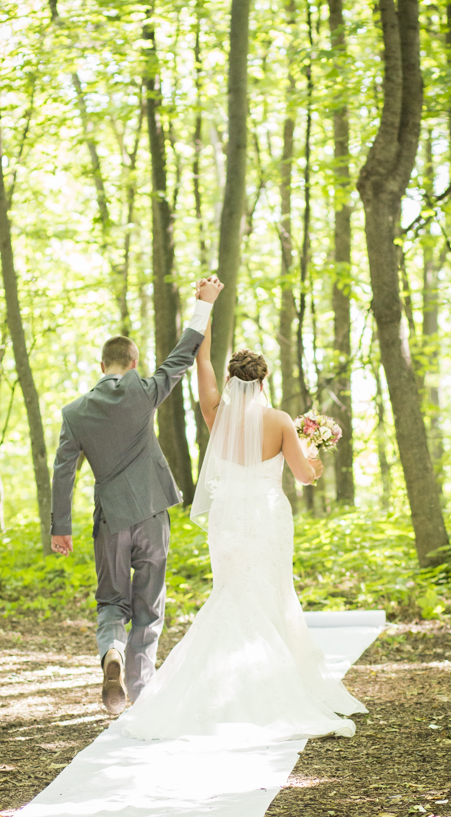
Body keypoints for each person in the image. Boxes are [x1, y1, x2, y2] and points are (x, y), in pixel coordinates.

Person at [117, 277, 367, 743]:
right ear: (265, 379)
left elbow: (201, 359)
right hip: (268, 517)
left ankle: (213, 692)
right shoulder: (279, 421)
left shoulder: (216, 412)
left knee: (230, 593)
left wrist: (204, 308)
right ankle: (274, 687)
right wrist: (315, 454)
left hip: (228, 519)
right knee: (272, 594)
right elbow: (304, 475)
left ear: (231, 379)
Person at [50, 276, 224, 714]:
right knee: (149, 604)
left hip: (111, 520)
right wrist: (203, 304)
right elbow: (182, 357)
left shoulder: (75, 413)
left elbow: (63, 471)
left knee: (112, 600)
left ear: (102, 363)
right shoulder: (143, 391)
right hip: (151, 513)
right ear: (133, 360)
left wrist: (61, 529)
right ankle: (140, 693)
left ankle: (112, 649)